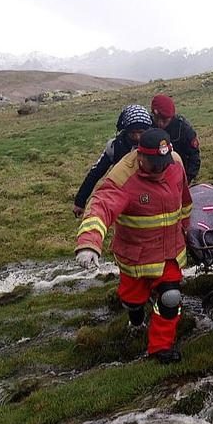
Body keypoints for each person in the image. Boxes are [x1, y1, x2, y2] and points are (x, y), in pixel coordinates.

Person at [74, 128, 193, 364]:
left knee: (170, 298)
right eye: (154, 163)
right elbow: (100, 208)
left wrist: (189, 231)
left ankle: (161, 348)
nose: (160, 168)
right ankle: (136, 320)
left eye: (164, 162)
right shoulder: (122, 177)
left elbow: (185, 200)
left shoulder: (175, 163)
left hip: (170, 252)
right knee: (133, 301)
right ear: (140, 156)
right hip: (136, 257)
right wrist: (89, 243)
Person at [72, 104, 152, 217]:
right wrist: (80, 201)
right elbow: (96, 172)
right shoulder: (115, 146)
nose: (137, 137)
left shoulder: (158, 145)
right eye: (132, 132)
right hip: (125, 197)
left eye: (141, 132)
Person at [151, 94, 201, 182]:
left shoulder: (184, 129)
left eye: (165, 120)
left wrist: (186, 180)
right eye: (156, 119)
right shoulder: (148, 125)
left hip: (179, 177)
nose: (160, 124)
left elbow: (194, 157)